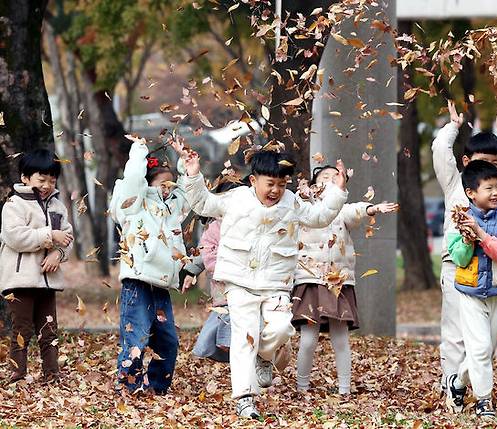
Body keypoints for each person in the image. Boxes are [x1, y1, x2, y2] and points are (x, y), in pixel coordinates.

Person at [180, 149, 348, 418]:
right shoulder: (236, 199)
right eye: (270, 184)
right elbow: (203, 204)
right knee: (244, 337)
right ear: (253, 180)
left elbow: (319, 217)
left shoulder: (291, 203)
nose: (276, 190)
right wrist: (192, 174)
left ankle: (265, 358)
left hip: (276, 283)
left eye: (282, 184)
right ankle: (244, 397)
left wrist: (338, 192)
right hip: (238, 281)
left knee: (281, 329)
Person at [432, 101, 497, 391]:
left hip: (494, 267)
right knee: (455, 333)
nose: (489, 173)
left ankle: (472, 384)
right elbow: (439, 151)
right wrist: (453, 127)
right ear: (465, 162)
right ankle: (451, 388)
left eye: (494, 167)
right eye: (481, 164)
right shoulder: (455, 185)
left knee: (486, 336)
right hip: (457, 264)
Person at [292, 165, 398, 396]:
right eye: (324, 178)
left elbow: (356, 211)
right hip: (310, 280)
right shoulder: (303, 209)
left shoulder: (341, 210)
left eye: (335, 178)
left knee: (340, 339)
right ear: (313, 185)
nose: (330, 181)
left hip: (339, 283)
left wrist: (373, 208)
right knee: (308, 340)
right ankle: (301, 387)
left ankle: (344, 389)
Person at [109, 137, 197, 395]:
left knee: (167, 341)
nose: (168, 189)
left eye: (170, 184)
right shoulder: (135, 203)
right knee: (135, 337)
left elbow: (185, 192)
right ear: (148, 185)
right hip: (137, 280)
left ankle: (156, 388)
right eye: (162, 184)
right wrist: (139, 152)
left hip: (161, 285)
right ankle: (128, 387)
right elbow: (134, 179)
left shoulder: (172, 207)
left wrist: (184, 162)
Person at [444, 160, 497, 419]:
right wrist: (466, 239)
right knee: (480, 349)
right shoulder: (459, 220)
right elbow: (460, 259)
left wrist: (480, 234)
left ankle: (457, 382)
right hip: (471, 293)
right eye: (489, 188)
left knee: (485, 349)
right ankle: (483, 401)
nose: (496, 192)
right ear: (471, 193)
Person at [0, 149, 74, 384]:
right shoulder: (14, 204)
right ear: (25, 178)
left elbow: (67, 238)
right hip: (20, 280)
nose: (47, 185)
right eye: (41, 179)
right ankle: (17, 375)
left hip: (48, 281)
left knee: (49, 329)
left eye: (52, 180)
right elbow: (15, 236)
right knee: (22, 330)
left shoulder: (58, 207)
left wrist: (58, 254)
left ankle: (52, 374)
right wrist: (50, 235)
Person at [189, 180, 247, 363]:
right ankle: (224, 344)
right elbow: (205, 251)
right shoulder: (215, 227)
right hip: (223, 281)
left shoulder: (250, 222)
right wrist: (192, 271)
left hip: (248, 281)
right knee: (226, 310)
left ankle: (241, 352)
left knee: (244, 316)